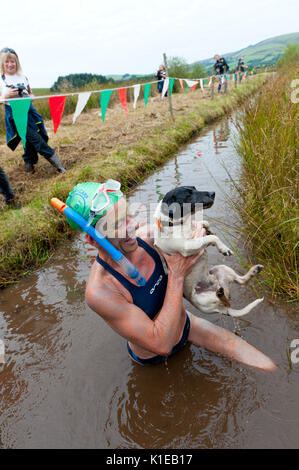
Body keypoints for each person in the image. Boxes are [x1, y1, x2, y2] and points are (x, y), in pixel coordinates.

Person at [63, 179, 277, 371]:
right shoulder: (100, 291)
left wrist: (197, 233)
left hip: (187, 325)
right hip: (153, 358)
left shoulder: (147, 237)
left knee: (266, 365)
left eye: (128, 216)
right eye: (117, 225)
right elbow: (161, 344)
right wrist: (176, 273)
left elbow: (187, 230)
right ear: (92, 240)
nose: (133, 227)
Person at [0, 48, 66, 174]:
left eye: (13, 61)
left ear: (16, 62)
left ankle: (29, 164)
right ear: (2, 63)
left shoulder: (23, 77)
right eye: (7, 61)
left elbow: (32, 95)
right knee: (36, 139)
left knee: (34, 138)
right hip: (15, 116)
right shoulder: (1, 80)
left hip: (30, 112)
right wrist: (5, 96)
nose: (10, 64)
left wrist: (29, 95)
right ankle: (60, 167)